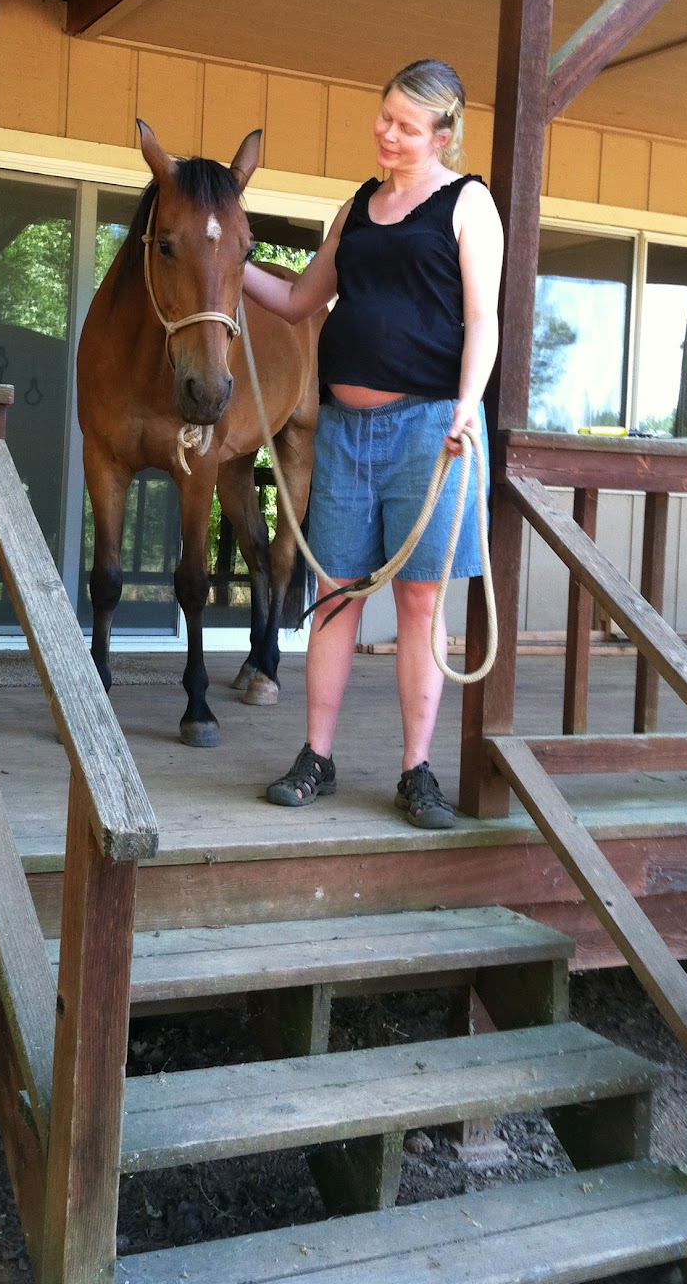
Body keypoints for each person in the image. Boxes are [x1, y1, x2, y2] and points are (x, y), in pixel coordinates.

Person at [241, 59, 503, 828]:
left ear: (442, 136)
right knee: (334, 595)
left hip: (430, 427)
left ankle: (415, 771)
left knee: (419, 600)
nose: (386, 133)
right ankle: (315, 758)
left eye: (405, 125)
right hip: (345, 431)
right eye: (383, 116)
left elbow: (482, 319)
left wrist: (465, 406)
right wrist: (229, 264)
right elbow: (297, 300)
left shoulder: (467, 202)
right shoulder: (356, 206)